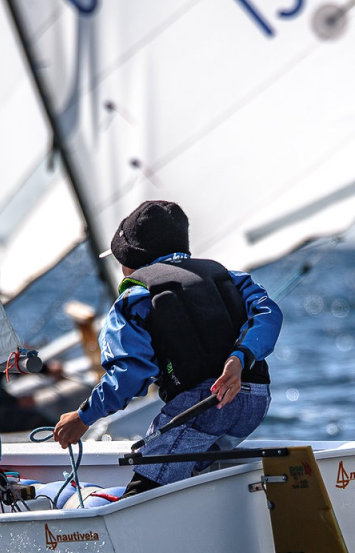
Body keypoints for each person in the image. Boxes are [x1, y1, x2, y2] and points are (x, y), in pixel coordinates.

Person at [51, 200, 282, 498]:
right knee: (185, 477)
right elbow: (268, 314)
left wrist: (83, 418)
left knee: (141, 496)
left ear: (132, 258)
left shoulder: (135, 297)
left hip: (203, 406)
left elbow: (129, 374)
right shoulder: (230, 277)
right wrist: (239, 357)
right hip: (256, 402)